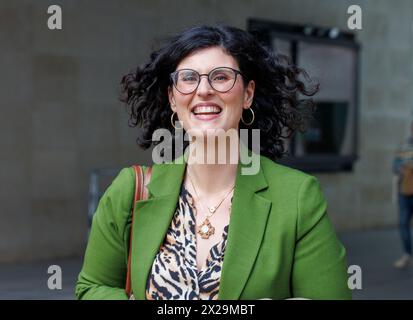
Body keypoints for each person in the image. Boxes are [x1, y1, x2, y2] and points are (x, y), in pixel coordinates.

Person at [75, 25, 351, 300]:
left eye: (221, 77)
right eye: (188, 78)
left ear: (247, 94)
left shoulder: (297, 196)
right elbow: (91, 288)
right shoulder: (131, 190)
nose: (204, 90)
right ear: (173, 98)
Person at [392, 121, 413, 269]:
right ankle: (407, 255)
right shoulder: (404, 147)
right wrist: (401, 169)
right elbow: (394, 167)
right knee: (403, 224)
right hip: (404, 193)